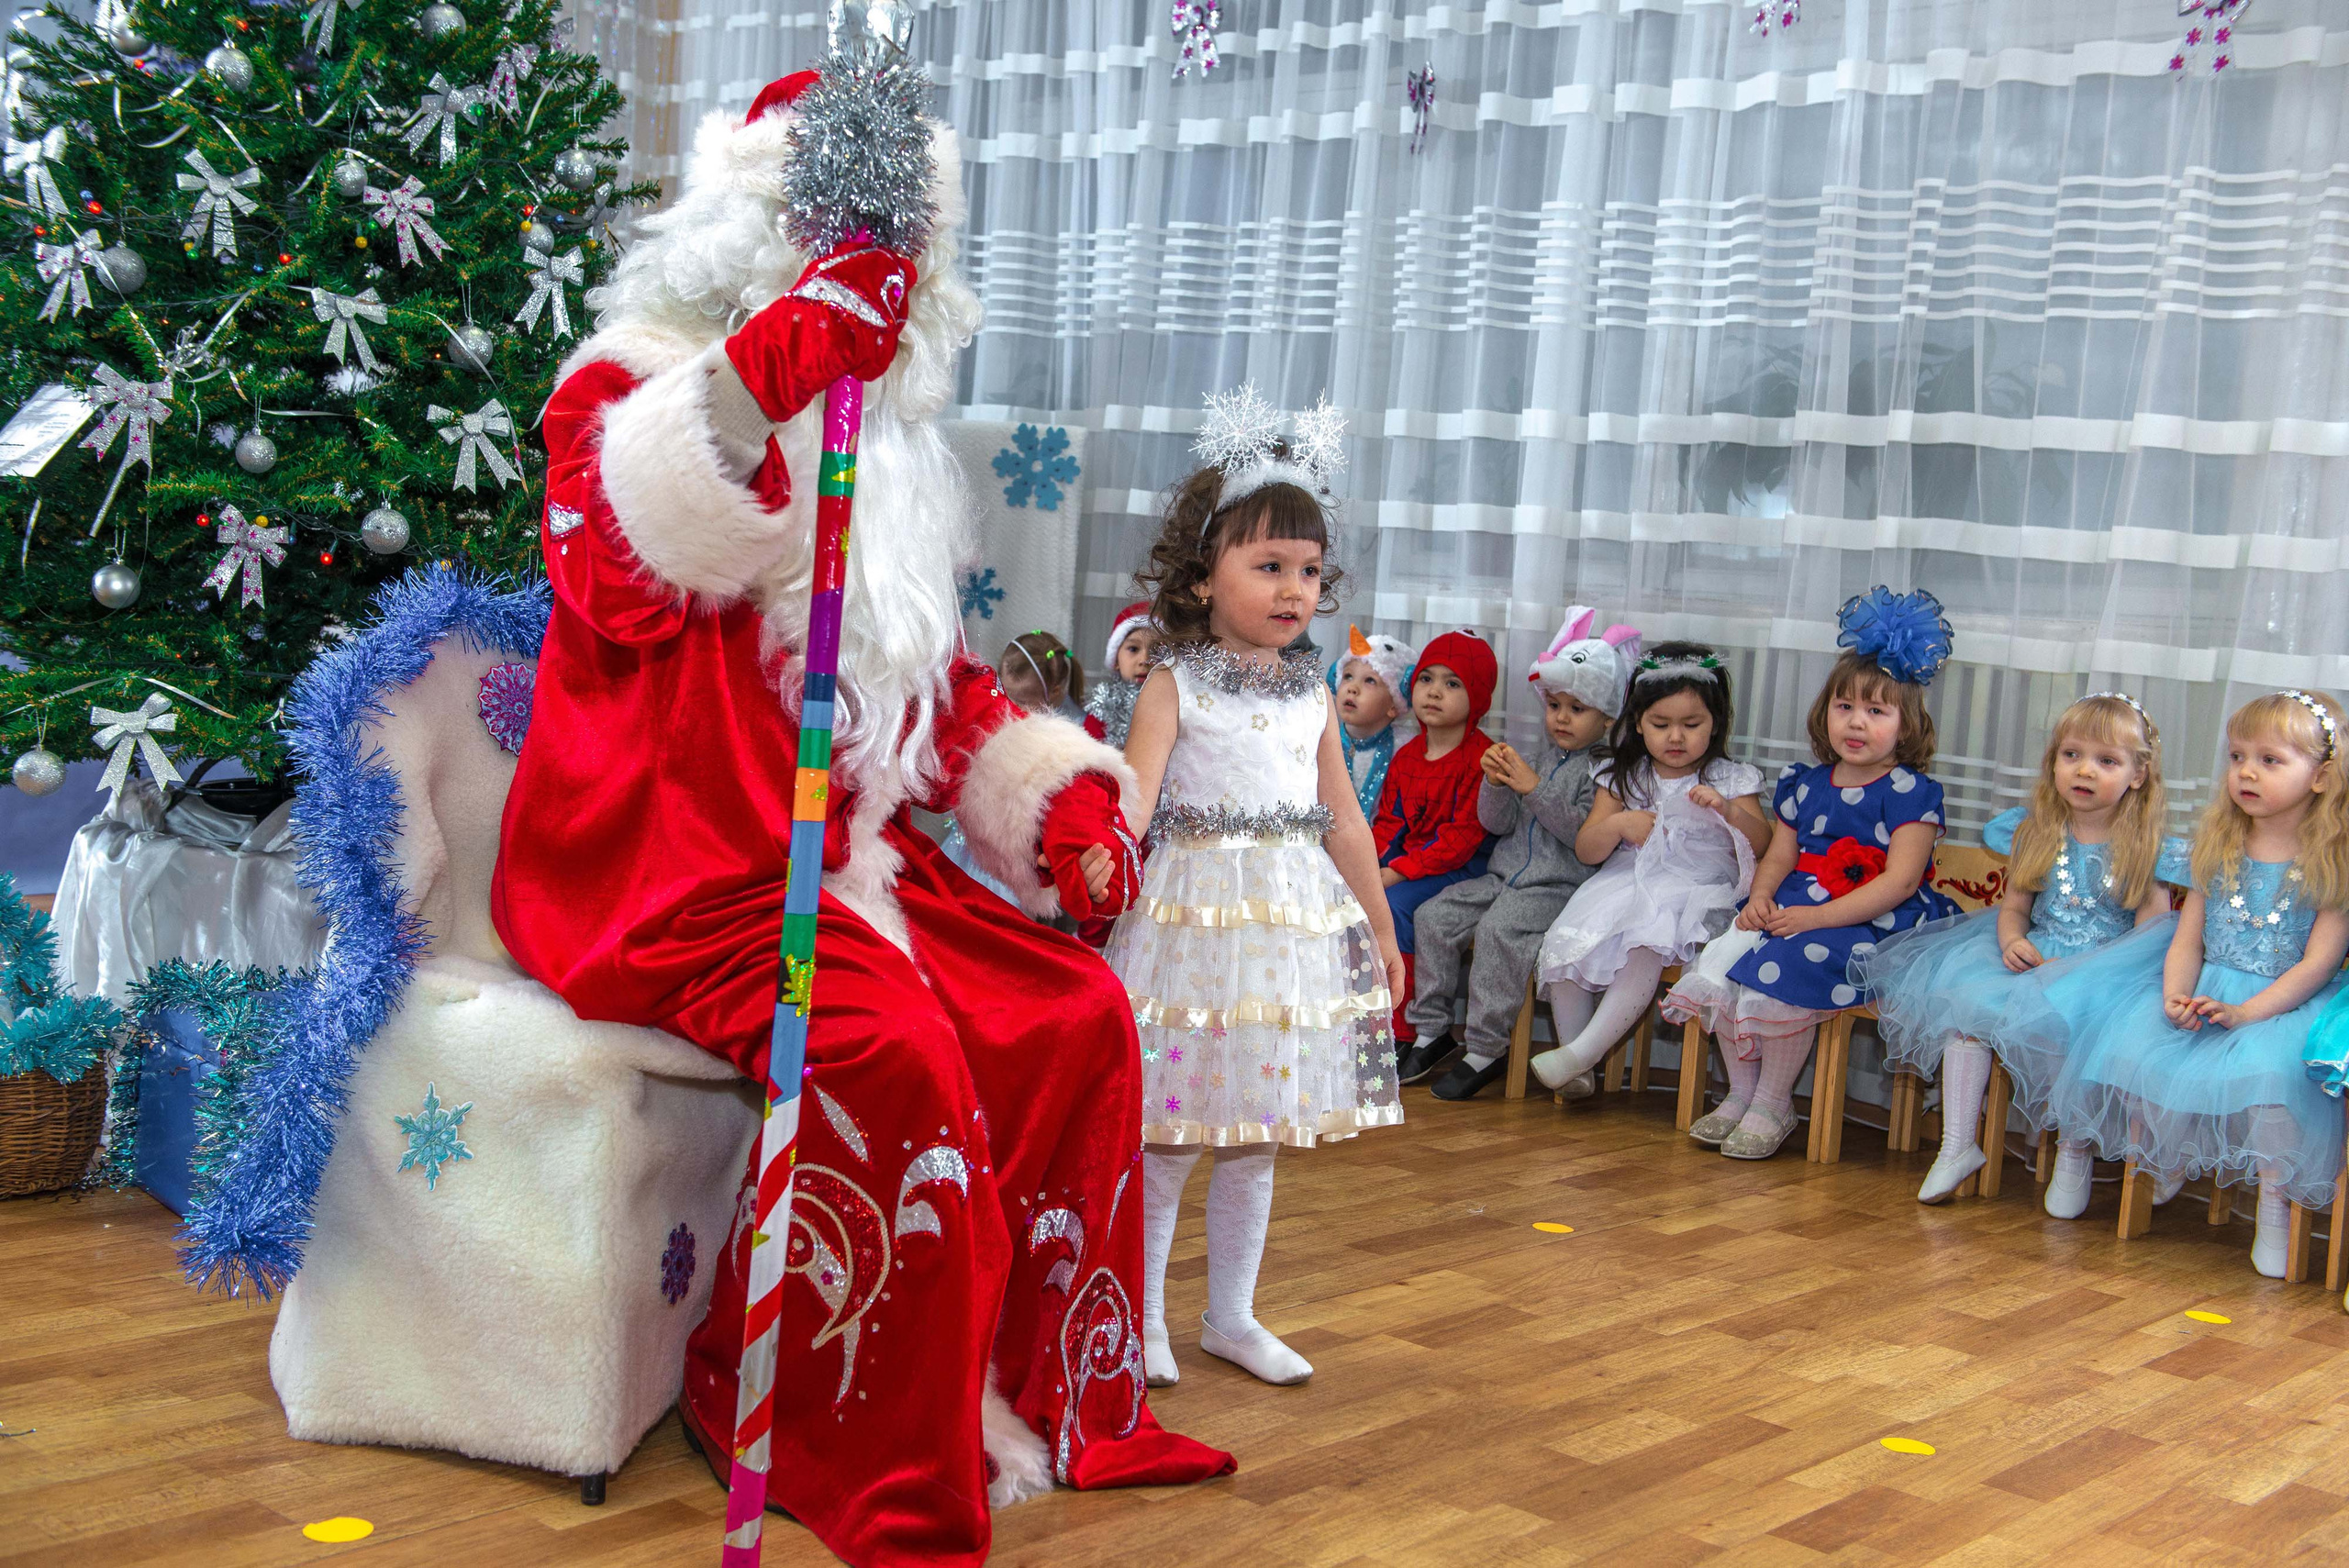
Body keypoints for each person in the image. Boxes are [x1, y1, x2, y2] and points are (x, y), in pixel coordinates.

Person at [489, 69, 1230, 1568]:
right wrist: (761, 379)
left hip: (845, 859)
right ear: (747, 222)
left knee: (1077, 1005)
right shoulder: (623, 386)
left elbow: (925, 685)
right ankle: (825, 1419)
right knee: (887, 1046)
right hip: (665, 864)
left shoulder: (885, 454)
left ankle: (1035, 1391)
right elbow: (617, 578)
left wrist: (1054, 786)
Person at [1102, 394, 1405, 1392]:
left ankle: (1229, 1313)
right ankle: (1139, 1311)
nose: (1292, 589)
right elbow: (1132, 807)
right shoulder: (1173, 682)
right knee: (1173, 1134)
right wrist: (1092, 890)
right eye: (1267, 565)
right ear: (1204, 575)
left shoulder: (1314, 690)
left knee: (1258, 1133)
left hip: (1284, 933)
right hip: (1187, 930)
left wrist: (1379, 925)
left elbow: (1345, 820)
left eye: (1308, 571)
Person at [2043, 691, 2349, 1274]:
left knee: (2272, 1083)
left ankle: (2275, 1211)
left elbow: (2319, 965)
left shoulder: (2334, 862)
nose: (2247, 772)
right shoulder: (2219, 847)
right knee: (2133, 1049)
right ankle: (2164, 1156)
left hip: (2283, 1005)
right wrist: (2173, 995)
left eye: (2270, 760)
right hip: (2206, 986)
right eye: (2237, 757)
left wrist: (2249, 1013)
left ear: (2321, 777)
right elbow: (2187, 939)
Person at [1663, 588, 1959, 1161]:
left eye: (1877, 712)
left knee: (1788, 961)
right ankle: (1741, 1094)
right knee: (1724, 957)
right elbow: (1778, 853)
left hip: (1874, 920)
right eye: (1845, 706)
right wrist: (1762, 896)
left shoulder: (1912, 794)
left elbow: (1898, 882)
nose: (1857, 722)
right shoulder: (1807, 782)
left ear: (1907, 725)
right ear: (1826, 712)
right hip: (1797, 904)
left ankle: (1775, 1102)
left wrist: (1814, 918)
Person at [1854, 694, 2174, 1205]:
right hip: (2038, 954)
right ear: (2053, 763)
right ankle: (1957, 1144)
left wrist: (2091, 971)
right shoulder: (2037, 833)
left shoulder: (2146, 848)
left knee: (2069, 1026)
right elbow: (2014, 907)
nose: (2084, 770)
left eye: (2106, 761)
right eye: (2072, 755)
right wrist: (2011, 941)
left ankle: (2074, 1152)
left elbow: (2151, 938)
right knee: (1969, 1014)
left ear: (2138, 774)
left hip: (2104, 973)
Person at [1399, 606, 1632, 1098]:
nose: (1562, 718)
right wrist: (1497, 784)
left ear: (1608, 717)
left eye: (1577, 709)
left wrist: (1532, 788)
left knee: (1500, 932)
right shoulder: (1546, 757)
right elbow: (1497, 825)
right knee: (1434, 916)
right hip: (1503, 876)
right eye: (1555, 706)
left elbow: (1584, 842)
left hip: (1556, 886)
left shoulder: (1606, 772)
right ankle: (1432, 1029)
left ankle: (1487, 1047)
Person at [1528, 641, 1771, 1098]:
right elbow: (1587, 849)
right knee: (1568, 940)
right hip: (1623, 880)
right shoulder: (1623, 775)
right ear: (1638, 723)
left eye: (1691, 724)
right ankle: (1574, 1062)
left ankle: (1583, 1054)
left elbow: (1764, 846)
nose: (1675, 737)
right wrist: (1620, 822)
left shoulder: (1730, 778)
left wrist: (1728, 812)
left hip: (1695, 886)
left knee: (1646, 943)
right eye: (1661, 724)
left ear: (1716, 723)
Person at [1375, 630, 1499, 1046]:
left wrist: (1395, 873)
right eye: (1427, 679)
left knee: (1395, 906)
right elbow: (1390, 822)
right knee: (1359, 898)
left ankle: (1406, 1028)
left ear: (1477, 697)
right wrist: (1369, 866)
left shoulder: (1480, 759)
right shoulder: (1408, 755)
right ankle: (1364, 1018)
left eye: (1452, 683)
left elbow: (1459, 841)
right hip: (1414, 864)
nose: (1434, 692)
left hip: (1463, 869)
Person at [1330, 624, 1417, 825]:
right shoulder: (1325, 739)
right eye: (1348, 676)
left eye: (1369, 680)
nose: (1352, 688)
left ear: (1393, 705)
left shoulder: (1404, 751)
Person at [1085, 602, 1158, 748]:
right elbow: (1086, 756)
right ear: (1116, 659)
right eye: (1133, 649)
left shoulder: (1173, 707)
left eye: (1156, 650)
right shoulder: (1104, 705)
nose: (1144, 660)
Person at [998, 628, 1085, 723]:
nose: (1008, 707)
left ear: (1053, 693)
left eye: (1021, 702)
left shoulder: (1072, 729)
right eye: (1004, 695)